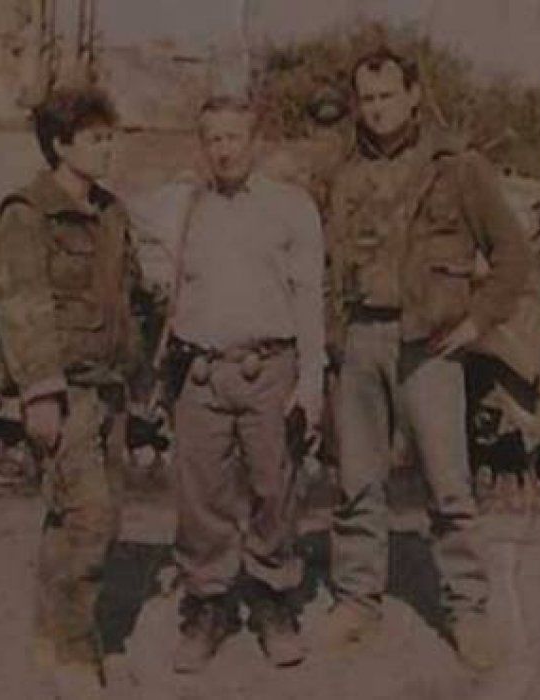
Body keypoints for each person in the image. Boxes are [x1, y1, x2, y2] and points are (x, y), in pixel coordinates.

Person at [322, 46, 534, 670]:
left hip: (432, 346)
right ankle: (357, 599)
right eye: (367, 98)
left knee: (449, 486)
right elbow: (329, 263)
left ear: (414, 95)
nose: (377, 109)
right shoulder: (345, 173)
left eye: (388, 96)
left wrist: (476, 321)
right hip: (361, 339)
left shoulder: (458, 168)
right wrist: (332, 340)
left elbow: (513, 255)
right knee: (357, 481)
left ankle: (467, 610)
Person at [162, 96, 325, 672]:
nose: (224, 150)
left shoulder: (291, 207)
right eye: (213, 139)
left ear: (254, 142)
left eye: (234, 137)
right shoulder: (186, 207)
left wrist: (311, 380)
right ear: (201, 145)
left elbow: (309, 296)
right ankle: (209, 605)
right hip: (202, 373)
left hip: (268, 371)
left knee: (274, 489)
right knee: (200, 496)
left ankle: (273, 600)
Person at [0, 86, 144, 697]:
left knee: (75, 518)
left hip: (110, 391)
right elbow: (23, 303)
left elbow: (129, 299)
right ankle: (78, 657)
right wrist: (41, 393)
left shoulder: (112, 213)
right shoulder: (28, 213)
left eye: (111, 137)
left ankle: (52, 637)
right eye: (95, 139)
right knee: (89, 519)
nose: (108, 149)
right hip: (67, 391)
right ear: (60, 145)